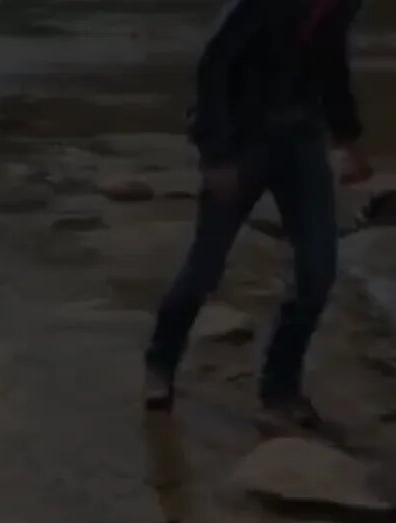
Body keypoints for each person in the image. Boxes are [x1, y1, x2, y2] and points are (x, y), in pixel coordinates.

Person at [143, 0, 372, 430]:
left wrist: (347, 138)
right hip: (241, 139)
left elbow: (330, 60)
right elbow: (213, 67)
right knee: (204, 270)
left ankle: (279, 389)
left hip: (301, 140)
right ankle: (160, 363)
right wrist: (216, 155)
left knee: (318, 271)